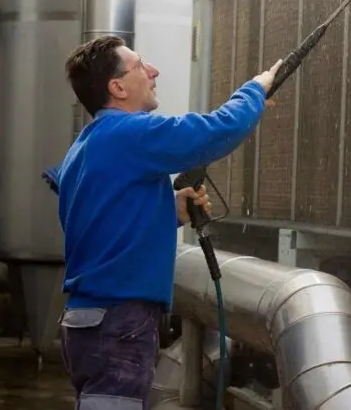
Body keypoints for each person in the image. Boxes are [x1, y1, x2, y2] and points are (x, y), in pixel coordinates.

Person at [46, 34, 280, 410]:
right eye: (139, 65)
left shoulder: (89, 145)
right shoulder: (128, 133)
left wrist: (172, 209)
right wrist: (253, 92)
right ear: (117, 87)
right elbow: (213, 133)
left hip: (92, 322)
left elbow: (104, 220)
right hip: (118, 322)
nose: (153, 71)